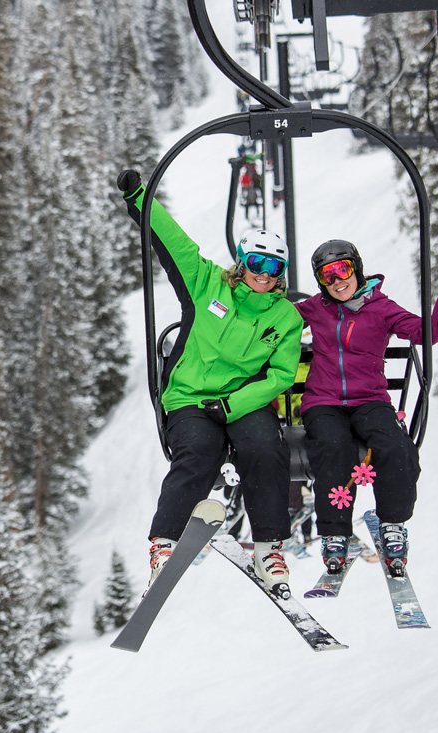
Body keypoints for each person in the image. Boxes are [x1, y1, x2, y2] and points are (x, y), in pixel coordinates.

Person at [117, 168, 303, 595]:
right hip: (190, 398)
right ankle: (164, 544)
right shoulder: (207, 284)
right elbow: (175, 243)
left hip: (243, 401)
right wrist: (140, 197)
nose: (263, 273)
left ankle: (268, 548)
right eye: (256, 262)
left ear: (281, 273)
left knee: (265, 449)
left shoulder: (285, 318)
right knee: (197, 452)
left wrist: (235, 404)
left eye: (273, 267)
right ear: (242, 261)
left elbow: (280, 375)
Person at [295, 239, 438, 577]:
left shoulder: (382, 308)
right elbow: (272, 325)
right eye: (327, 276)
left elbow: (426, 333)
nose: (337, 281)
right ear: (320, 282)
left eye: (342, 270)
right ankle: (335, 532)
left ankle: (392, 524)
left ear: (356, 268)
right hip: (323, 401)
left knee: (396, 448)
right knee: (333, 448)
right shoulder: (315, 308)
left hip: (370, 400)